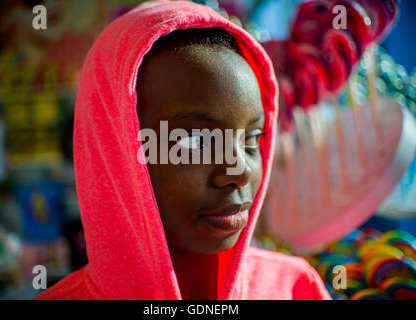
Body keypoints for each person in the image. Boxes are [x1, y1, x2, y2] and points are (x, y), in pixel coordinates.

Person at [34, 0, 331, 300]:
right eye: (195, 143)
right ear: (117, 153)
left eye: (251, 138)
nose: (240, 171)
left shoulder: (295, 288)